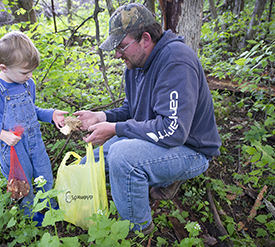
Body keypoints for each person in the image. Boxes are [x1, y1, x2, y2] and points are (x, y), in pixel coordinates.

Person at [74, 3, 221, 235]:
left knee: (123, 156)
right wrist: (101, 116)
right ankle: (65, 200)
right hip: (157, 139)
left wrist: (114, 129)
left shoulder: (176, 61)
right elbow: (132, 110)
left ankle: (138, 231)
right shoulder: (135, 64)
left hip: (190, 149)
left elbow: (173, 130)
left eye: (121, 46)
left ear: (145, 38)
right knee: (93, 159)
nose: (116, 54)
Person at [0, 31, 68, 226]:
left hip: (35, 141)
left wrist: (51, 114)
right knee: (22, 180)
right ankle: (30, 212)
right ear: (4, 68)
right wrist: (1, 134)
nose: (30, 76)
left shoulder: (26, 84)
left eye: (31, 71)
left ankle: (48, 204)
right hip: (13, 148)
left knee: (44, 174)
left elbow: (32, 110)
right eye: (25, 72)